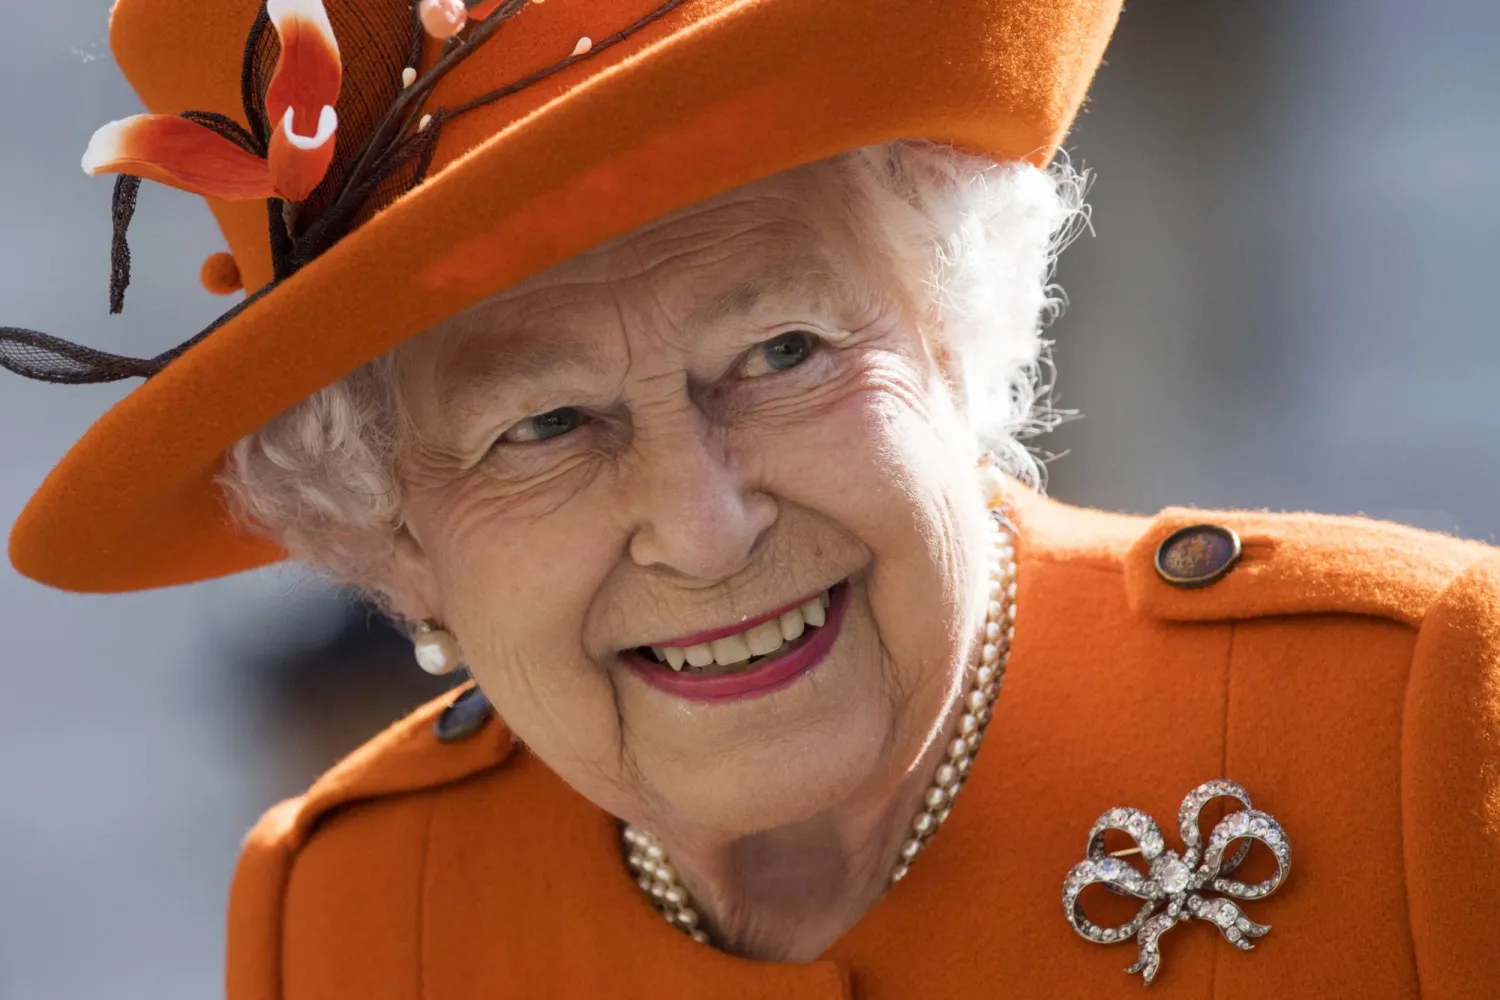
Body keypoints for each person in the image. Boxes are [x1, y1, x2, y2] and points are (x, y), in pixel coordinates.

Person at [3, 0, 1497, 996]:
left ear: (951, 333)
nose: (706, 525)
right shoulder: (353, 911)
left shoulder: (1413, 723)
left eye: (781, 351)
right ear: (395, 542)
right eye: (542, 426)